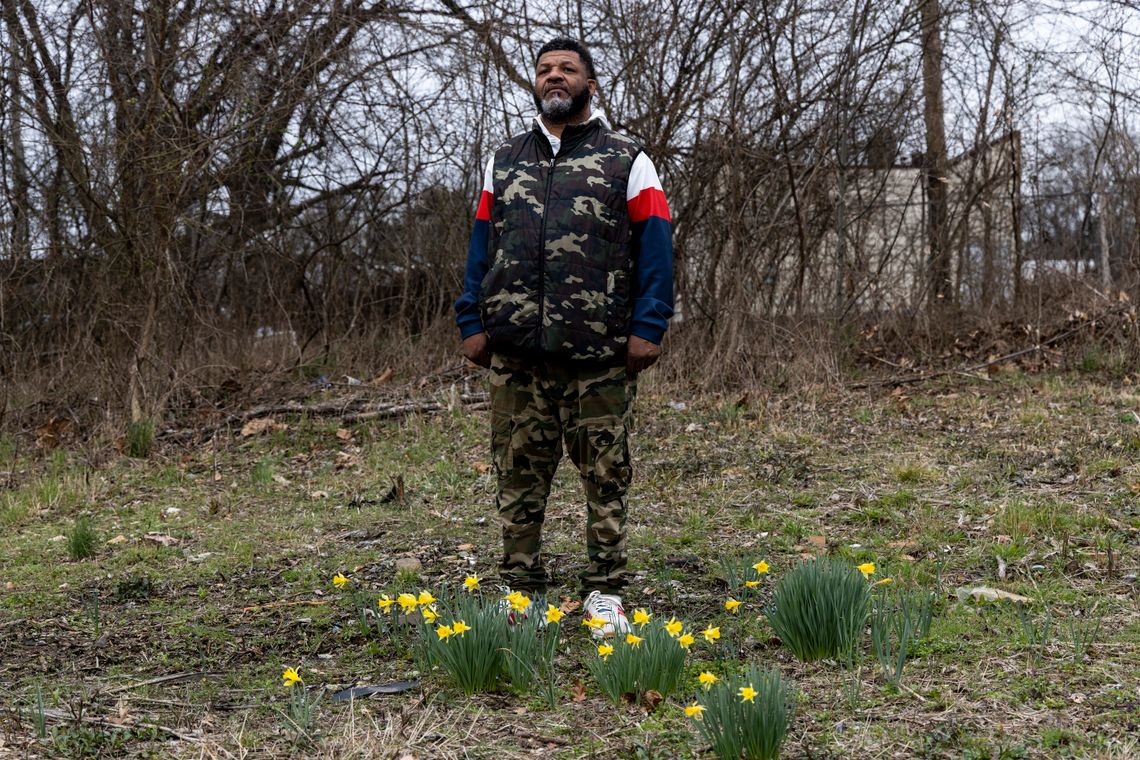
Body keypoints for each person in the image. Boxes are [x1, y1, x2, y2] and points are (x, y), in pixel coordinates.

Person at [454, 37, 673, 637]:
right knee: (518, 473)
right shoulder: (505, 160)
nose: (555, 77)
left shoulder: (628, 159)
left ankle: (604, 590)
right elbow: (481, 245)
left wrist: (649, 325)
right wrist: (470, 319)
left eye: (567, 70)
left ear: (590, 83)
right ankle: (522, 590)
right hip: (516, 352)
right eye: (546, 69)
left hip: (598, 352)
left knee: (605, 473)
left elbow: (654, 248)